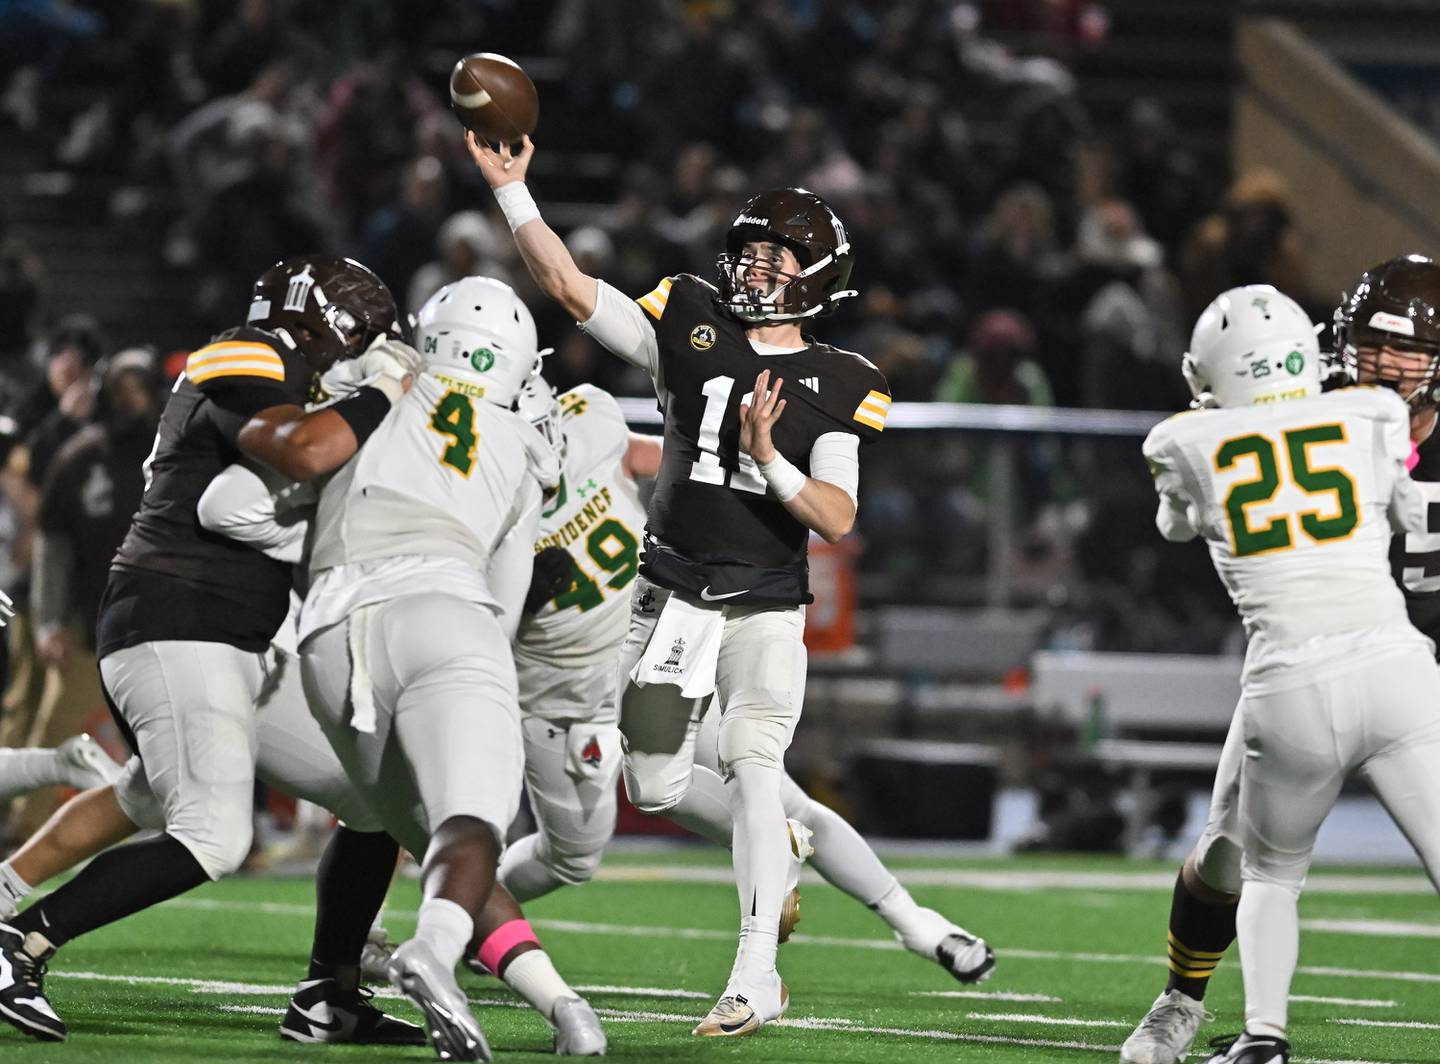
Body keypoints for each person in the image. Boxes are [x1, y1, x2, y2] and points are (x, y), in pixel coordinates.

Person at [470, 130, 991, 1036]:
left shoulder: (840, 381)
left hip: (762, 601)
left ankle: (756, 972)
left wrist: (770, 464)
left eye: (776, 258)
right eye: (749, 251)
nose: (755, 268)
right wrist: (517, 194)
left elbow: (833, 513)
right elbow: (569, 288)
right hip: (667, 594)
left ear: (817, 277)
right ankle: (805, 859)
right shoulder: (690, 317)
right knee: (659, 785)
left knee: (755, 758)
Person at [0, 254, 426, 1044]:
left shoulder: (295, 375)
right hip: (175, 616)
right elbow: (292, 458)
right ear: (313, 315)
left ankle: (327, 996)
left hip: (237, 639)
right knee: (212, 832)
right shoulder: (244, 350)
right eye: (358, 331)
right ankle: (18, 942)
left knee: (376, 800)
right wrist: (385, 389)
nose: (362, 349)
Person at [500, 372, 994, 982]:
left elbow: (675, 464)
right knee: (571, 855)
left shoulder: (588, 418)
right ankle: (483, 915)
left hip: (654, 652)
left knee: (779, 798)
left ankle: (914, 920)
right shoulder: (479, 493)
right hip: (565, 695)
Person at [1119, 256, 1440, 1064]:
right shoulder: (1314, 408)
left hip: (1410, 658)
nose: (1385, 368)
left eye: (1408, 353)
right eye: (1370, 346)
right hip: (1310, 654)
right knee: (1228, 850)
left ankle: (1261, 1034)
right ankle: (1180, 1002)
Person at [298, 275, 602, 1062]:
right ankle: (433, 950)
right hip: (444, 607)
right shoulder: (521, 442)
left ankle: (560, 1005)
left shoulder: (369, 383)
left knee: (416, 830)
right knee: (470, 825)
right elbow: (502, 601)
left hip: (327, 633)